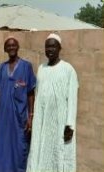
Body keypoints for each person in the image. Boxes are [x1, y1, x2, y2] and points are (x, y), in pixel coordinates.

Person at [27, 33, 78, 172]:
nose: (50, 50)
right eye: (47, 47)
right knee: (41, 151)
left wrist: (70, 124)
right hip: (43, 122)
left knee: (59, 154)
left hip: (60, 122)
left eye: (53, 46)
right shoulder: (41, 69)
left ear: (59, 48)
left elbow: (73, 99)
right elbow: (38, 96)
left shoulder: (68, 69)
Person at [0, 36, 36, 172]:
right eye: (8, 46)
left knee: (19, 146)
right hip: (4, 116)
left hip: (19, 117)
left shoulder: (26, 66)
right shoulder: (1, 67)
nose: (11, 47)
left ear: (18, 47)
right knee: (3, 146)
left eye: (13, 45)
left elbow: (30, 93)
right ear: (5, 49)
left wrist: (30, 115)